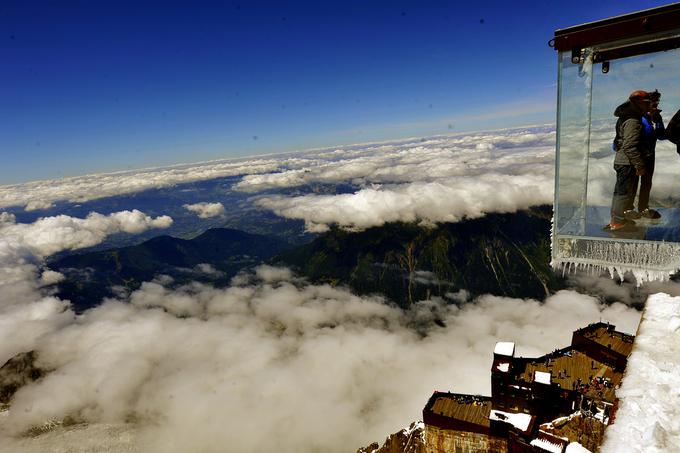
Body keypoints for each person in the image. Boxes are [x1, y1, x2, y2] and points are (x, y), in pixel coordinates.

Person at [606, 90, 664, 231]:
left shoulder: (652, 117)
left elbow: (661, 135)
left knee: (644, 184)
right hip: (636, 157)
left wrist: (658, 121)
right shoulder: (636, 118)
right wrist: (637, 161)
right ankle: (621, 216)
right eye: (652, 101)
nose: (655, 104)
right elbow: (628, 141)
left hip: (647, 156)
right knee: (627, 188)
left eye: (657, 102)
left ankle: (640, 209)